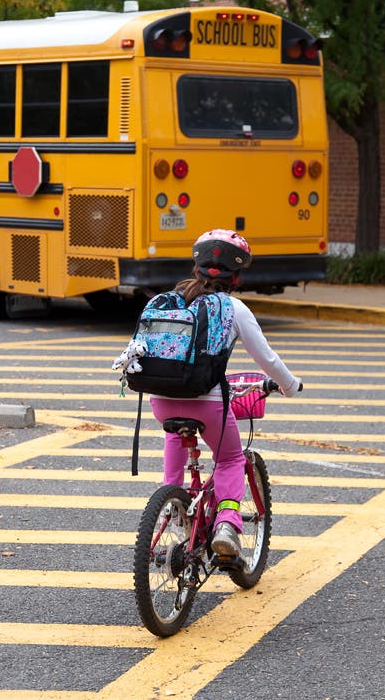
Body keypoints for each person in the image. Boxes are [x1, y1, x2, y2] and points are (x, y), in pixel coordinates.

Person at [151, 228, 301, 559]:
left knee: (175, 435)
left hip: (160, 398)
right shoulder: (234, 308)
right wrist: (290, 385)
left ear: (196, 267)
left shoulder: (171, 300)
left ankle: (170, 503)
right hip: (207, 402)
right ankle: (227, 525)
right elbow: (267, 359)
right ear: (236, 277)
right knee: (231, 458)